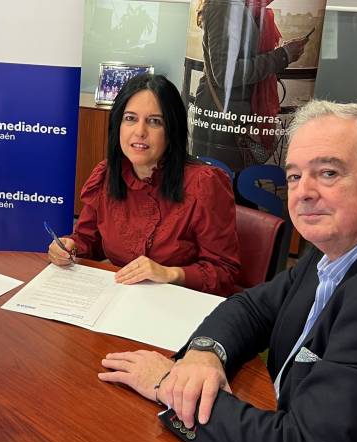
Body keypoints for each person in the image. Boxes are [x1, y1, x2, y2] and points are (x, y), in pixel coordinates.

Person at [98, 100, 357, 442]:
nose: (304, 192)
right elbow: (252, 307)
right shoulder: (338, 248)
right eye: (294, 176)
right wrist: (205, 352)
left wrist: (169, 385)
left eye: (328, 173)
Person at [48, 74, 240, 296]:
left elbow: (225, 273)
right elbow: (88, 240)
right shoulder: (107, 174)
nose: (140, 131)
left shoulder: (204, 183)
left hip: (178, 303)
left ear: (172, 130)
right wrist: (69, 247)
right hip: (120, 297)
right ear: (118, 125)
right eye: (130, 118)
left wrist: (170, 273)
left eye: (154, 121)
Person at [191, 0, 309, 172]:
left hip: (230, 119)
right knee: (220, 184)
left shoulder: (239, 6)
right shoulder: (225, 5)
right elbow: (225, 74)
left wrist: (282, 54)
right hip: (222, 125)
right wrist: (282, 56)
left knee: (228, 184)